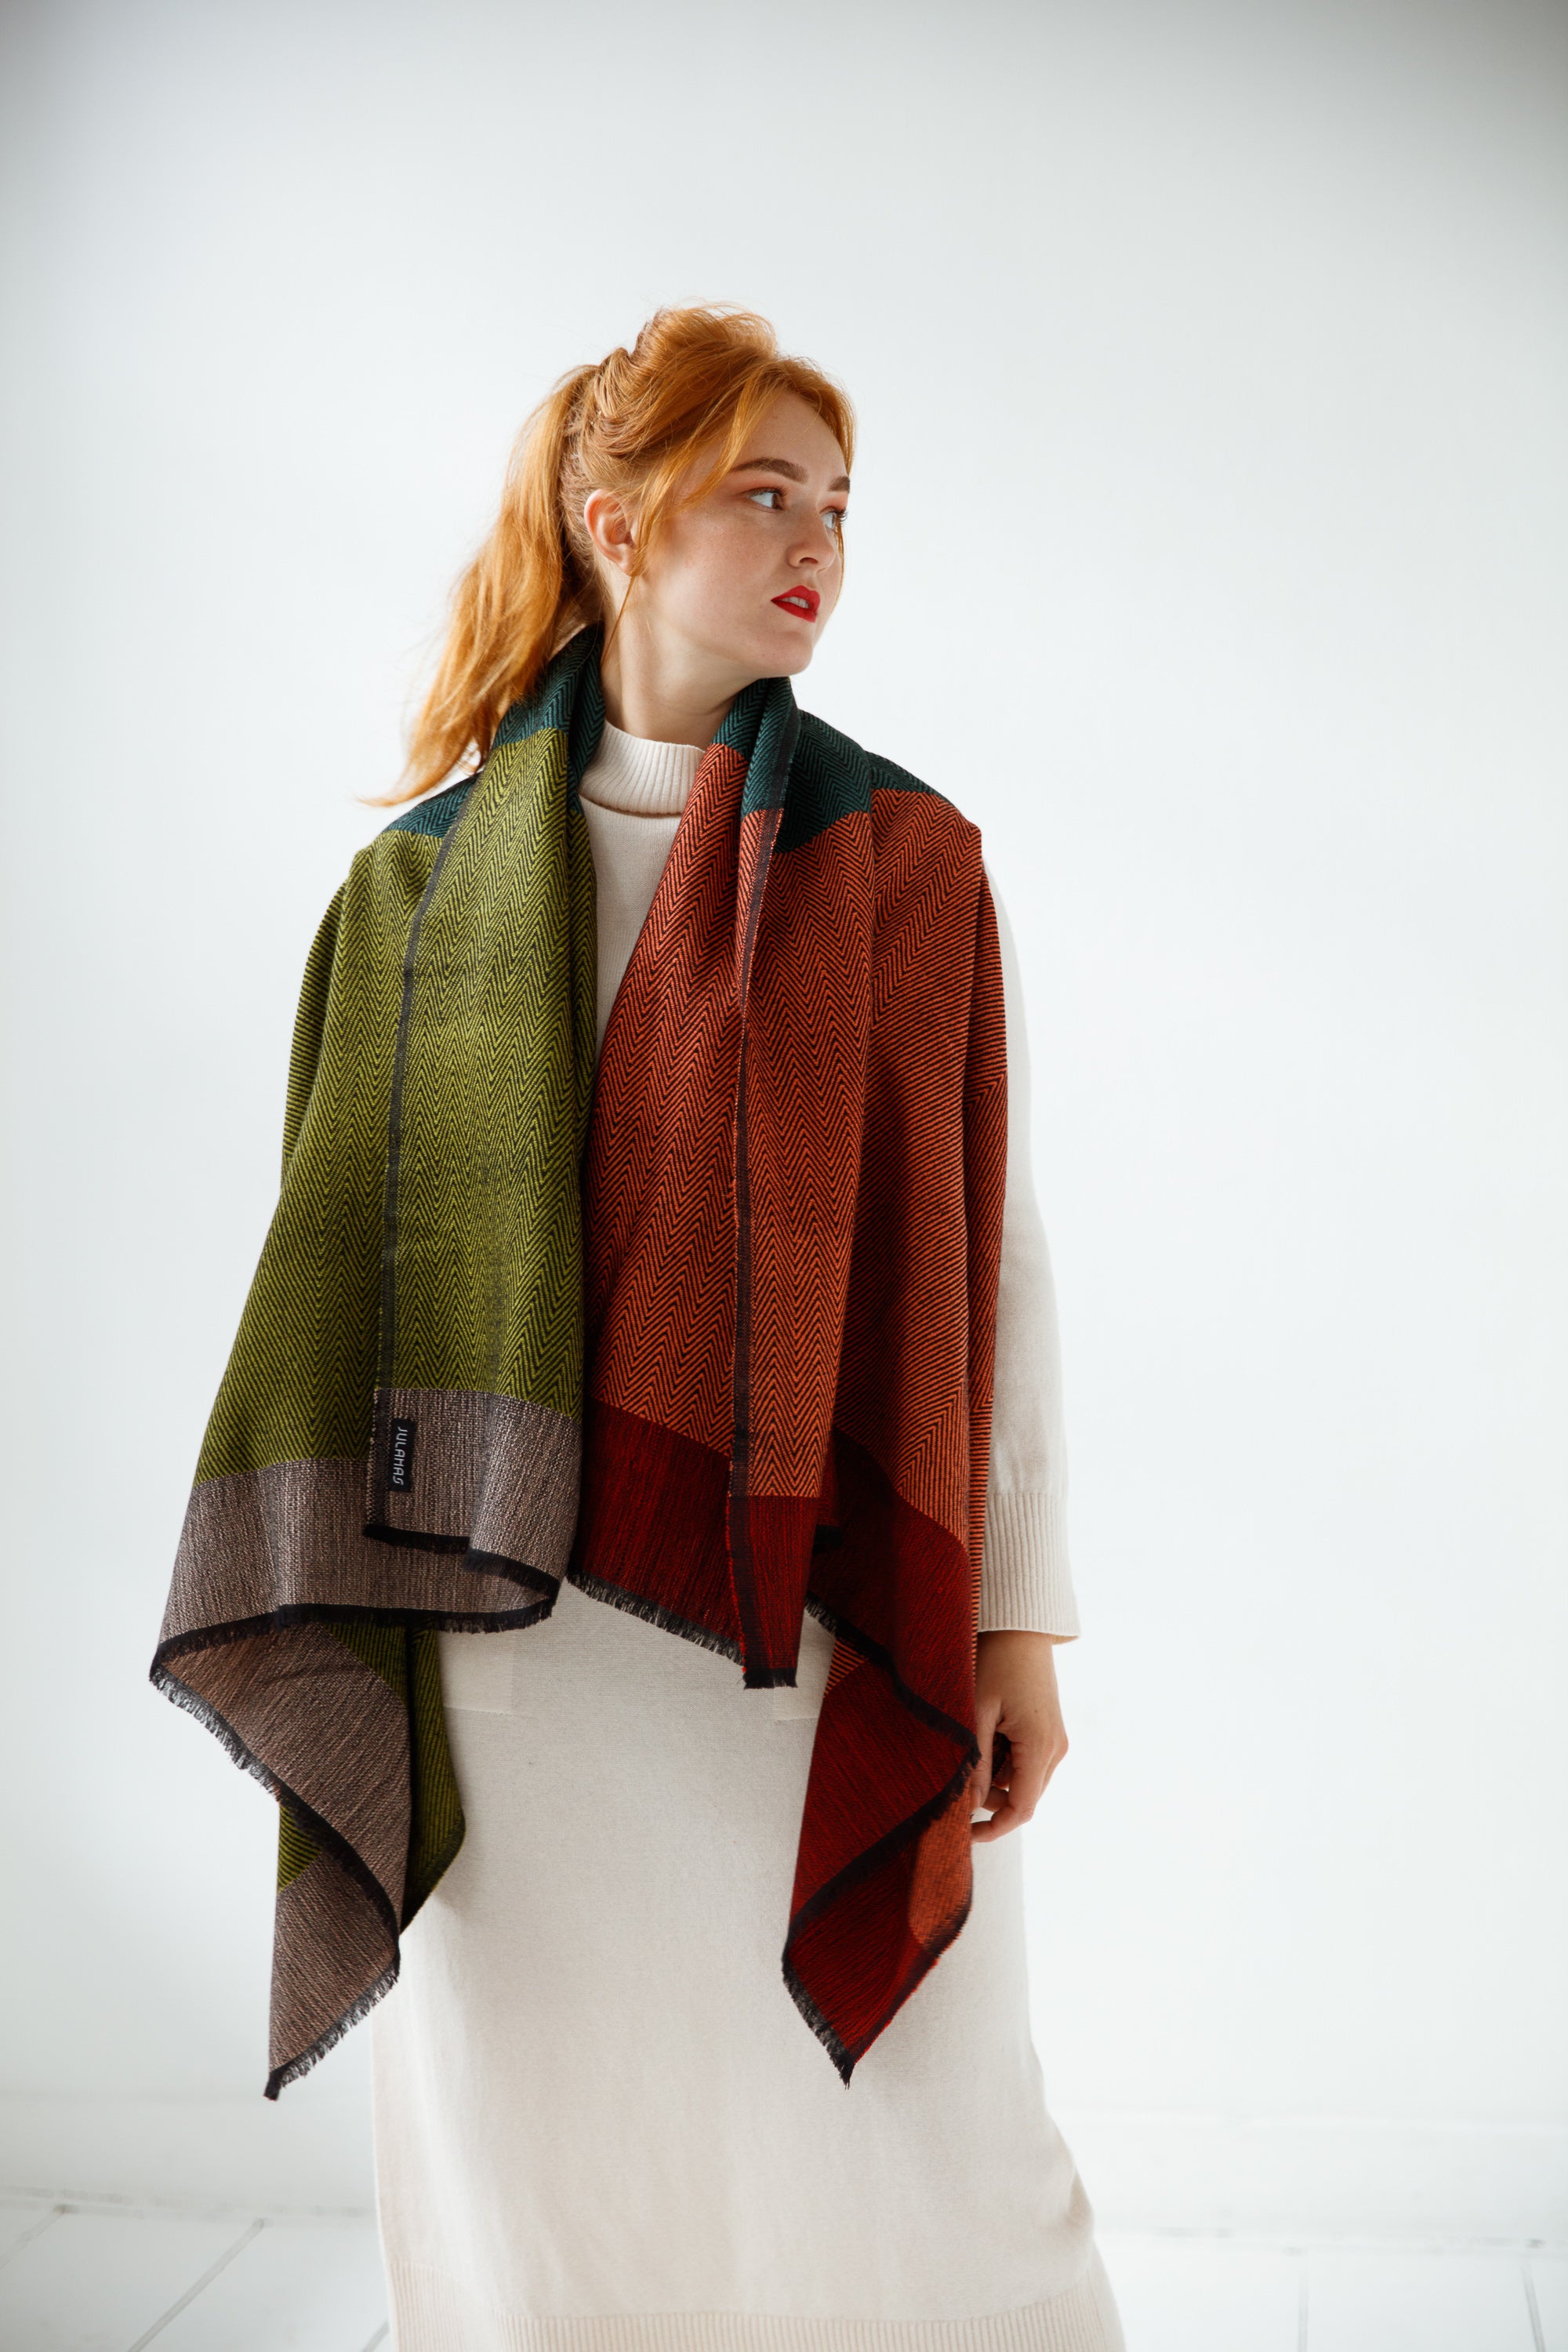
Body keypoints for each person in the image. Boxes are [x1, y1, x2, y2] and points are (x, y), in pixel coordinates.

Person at [152, 305, 1125, 2352]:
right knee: (549, 2166)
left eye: (839, 505)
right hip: (506, 1632)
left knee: (934, 2152)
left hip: (814, 1616)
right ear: (615, 522)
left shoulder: (906, 870)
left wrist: (1022, 1621)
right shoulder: (413, 899)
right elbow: (343, 1292)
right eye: (763, 494)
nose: (816, 543)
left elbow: (996, 1266)